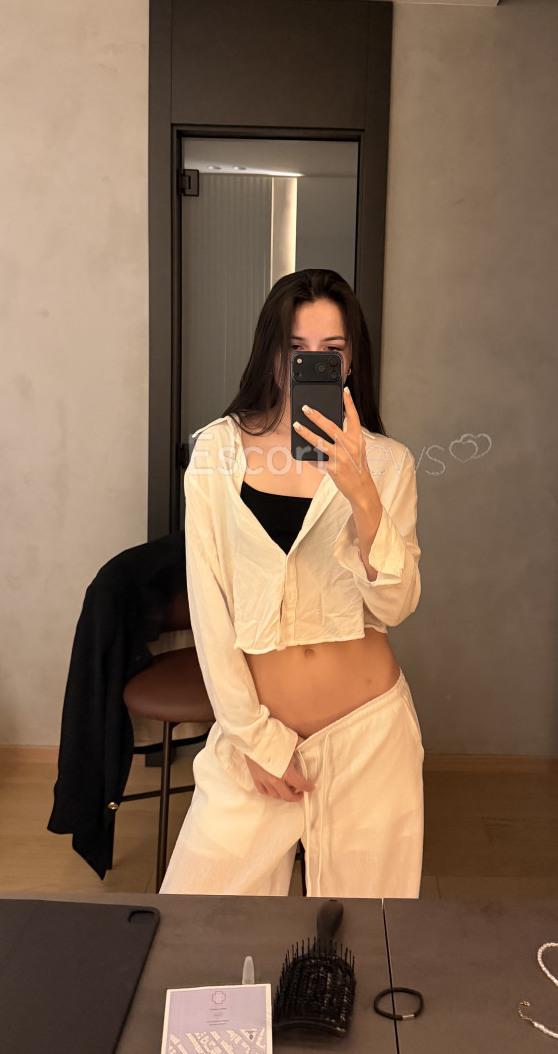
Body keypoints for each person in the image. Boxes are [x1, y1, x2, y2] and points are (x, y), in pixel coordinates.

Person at [159, 268, 423, 897]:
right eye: (296, 348)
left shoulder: (388, 463)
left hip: (370, 737)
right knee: (199, 929)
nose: (312, 363)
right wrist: (253, 738)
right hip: (256, 736)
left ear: (350, 361)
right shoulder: (217, 452)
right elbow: (210, 610)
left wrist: (361, 492)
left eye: (331, 350)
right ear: (272, 354)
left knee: (368, 937)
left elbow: (397, 603)